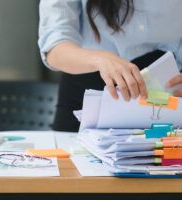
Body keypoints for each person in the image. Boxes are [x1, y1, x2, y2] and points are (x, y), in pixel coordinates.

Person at [38, 0, 182, 132]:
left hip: (167, 90)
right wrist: (99, 59)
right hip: (89, 87)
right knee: (74, 156)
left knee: (161, 156)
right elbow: (55, 47)